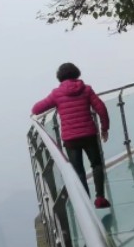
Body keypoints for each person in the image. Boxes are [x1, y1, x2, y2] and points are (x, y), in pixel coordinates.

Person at [32, 62, 112, 208]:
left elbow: (37, 108)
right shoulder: (86, 90)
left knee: (79, 171)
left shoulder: (57, 94)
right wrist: (104, 128)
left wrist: (34, 112)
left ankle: (86, 203)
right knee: (96, 164)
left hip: (70, 139)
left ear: (60, 77)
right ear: (76, 73)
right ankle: (100, 198)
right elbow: (101, 108)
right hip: (89, 134)